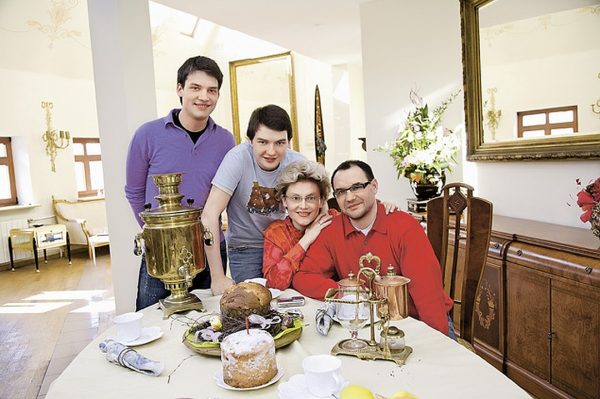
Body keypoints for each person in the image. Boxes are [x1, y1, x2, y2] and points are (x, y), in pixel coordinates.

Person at [292, 160, 454, 336]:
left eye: (357, 187)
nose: (349, 197)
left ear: (374, 186)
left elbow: (429, 297)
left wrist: (438, 344)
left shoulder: (405, 227)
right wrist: (347, 293)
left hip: (414, 323)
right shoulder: (331, 230)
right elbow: (304, 278)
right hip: (368, 327)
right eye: (341, 192)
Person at [125, 56, 234, 311]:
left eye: (212, 90)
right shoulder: (147, 134)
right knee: (153, 320)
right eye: (195, 88)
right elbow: (134, 192)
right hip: (161, 251)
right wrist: (157, 235)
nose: (203, 97)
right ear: (180, 89)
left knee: (210, 321)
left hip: (210, 249)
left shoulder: (226, 140)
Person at [201, 104, 305, 294]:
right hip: (246, 247)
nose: (271, 151)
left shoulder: (298, 163)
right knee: (251, 305)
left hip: (286, 244)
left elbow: (320, 207)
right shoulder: (237, 159)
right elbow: (209, 215)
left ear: (289, 142)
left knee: (292, 303)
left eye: (280, 143)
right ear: (250, 140)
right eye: (263, 142)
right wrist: (218, 277)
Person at [262, 160, 335, 290]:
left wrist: (382, 207)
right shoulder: (276, 233)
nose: (303, 206)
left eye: (310, 198)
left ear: (321, 200)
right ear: (284, 201)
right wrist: (305, 241)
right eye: (295, 198)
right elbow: (274, 284)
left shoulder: (333, 221)